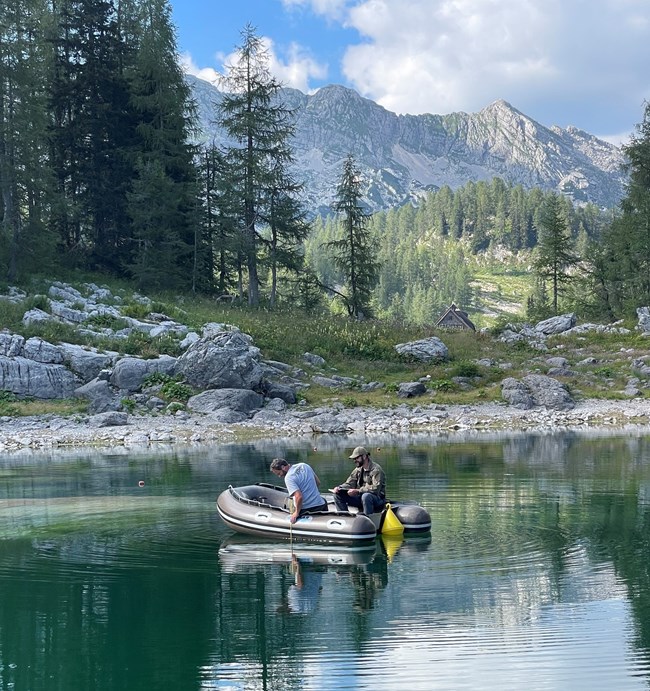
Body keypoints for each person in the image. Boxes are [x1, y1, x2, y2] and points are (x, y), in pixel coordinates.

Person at [270, 458, 328, 523]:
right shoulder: (304, 465)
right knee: (323, 500)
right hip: (321, 505)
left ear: (283, 467)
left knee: (291, 503)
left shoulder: (289, 478)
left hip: (307, 509)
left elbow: (299, 497)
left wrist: (296, 513)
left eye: (279, 473)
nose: (279, 476)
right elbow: (318, 482)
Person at [332, 446, 386, 515]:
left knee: (366, 496)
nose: (355, 460)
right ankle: (344, 516)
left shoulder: (376, 470)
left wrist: (358, 491)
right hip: (361, 497)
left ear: (364, 456)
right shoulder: (358, 469)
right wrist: (339, 488)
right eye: (354, 459)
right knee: (337, 494)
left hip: (377, 499)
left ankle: (367, 519)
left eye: (357, 458)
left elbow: (375, 489)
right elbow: (349, 483)